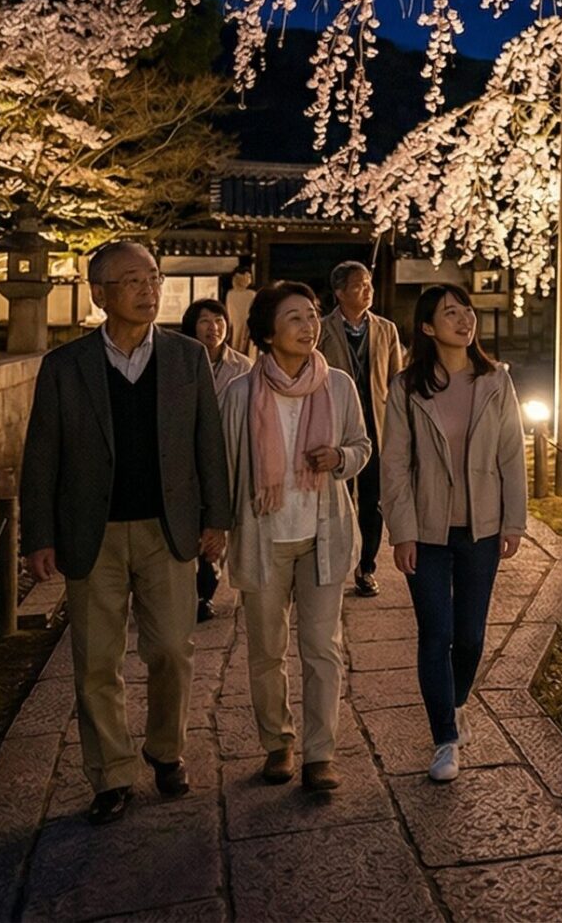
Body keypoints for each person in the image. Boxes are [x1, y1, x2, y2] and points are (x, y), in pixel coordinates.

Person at [19, 241, 232, 826]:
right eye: (132, 280)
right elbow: (42, 455)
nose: (148, 290)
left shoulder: (187, 357)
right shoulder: (66, 365)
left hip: (168, 528)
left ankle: (166, 750)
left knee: (172, 650)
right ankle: (110, 774)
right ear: (99, 293)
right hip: (94, 531)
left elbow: (208, 443)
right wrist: (39, 535)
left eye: (153, 278)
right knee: (96, 660)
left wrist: (216, 518)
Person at [219, 281, 371, 792]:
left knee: (322, 648)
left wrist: (340, 458)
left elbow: (362, 446)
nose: (309, 327)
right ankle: (277, 743)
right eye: (295, 318)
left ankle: (320, 754)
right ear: (267, 333)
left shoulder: (338, 386)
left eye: (311, 316)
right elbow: (226, 466)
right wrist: (216, 529)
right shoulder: (240, 394)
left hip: (322, 535)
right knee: (266, 651)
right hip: (263, 536)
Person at [381, 284, 526, 782]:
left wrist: (513, 521)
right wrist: (401, 532)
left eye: (466, 310)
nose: (465, 319)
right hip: (426, 530)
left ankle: (456, 701)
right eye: (450, 313)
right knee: (435, 633)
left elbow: (512, 454)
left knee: (470, 637)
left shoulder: (495, 380)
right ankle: (444, 738)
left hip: (481, 529)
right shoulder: (406, 387)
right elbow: (395, 464)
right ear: (427, 327)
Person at [317, 261, 401, 597]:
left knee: (372, 502)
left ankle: (366, 567)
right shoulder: (322, 330)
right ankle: (332, 565)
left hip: (376, 427)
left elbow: (396, 381)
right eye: (358, 285)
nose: (367, 290)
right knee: (335, 501)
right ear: (339, 292)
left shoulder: (386, 329)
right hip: (336, 427)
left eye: (369, 284)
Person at [183, 298, 255, 621]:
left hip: (227, 457)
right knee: (192, 525)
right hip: (187, 460)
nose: (213, 328)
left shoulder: (244, 367)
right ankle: (190, 589)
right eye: (205, 321)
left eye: (219, 321)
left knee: (219, 524)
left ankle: (205, 593)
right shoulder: (180, 362)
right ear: (192, 326)